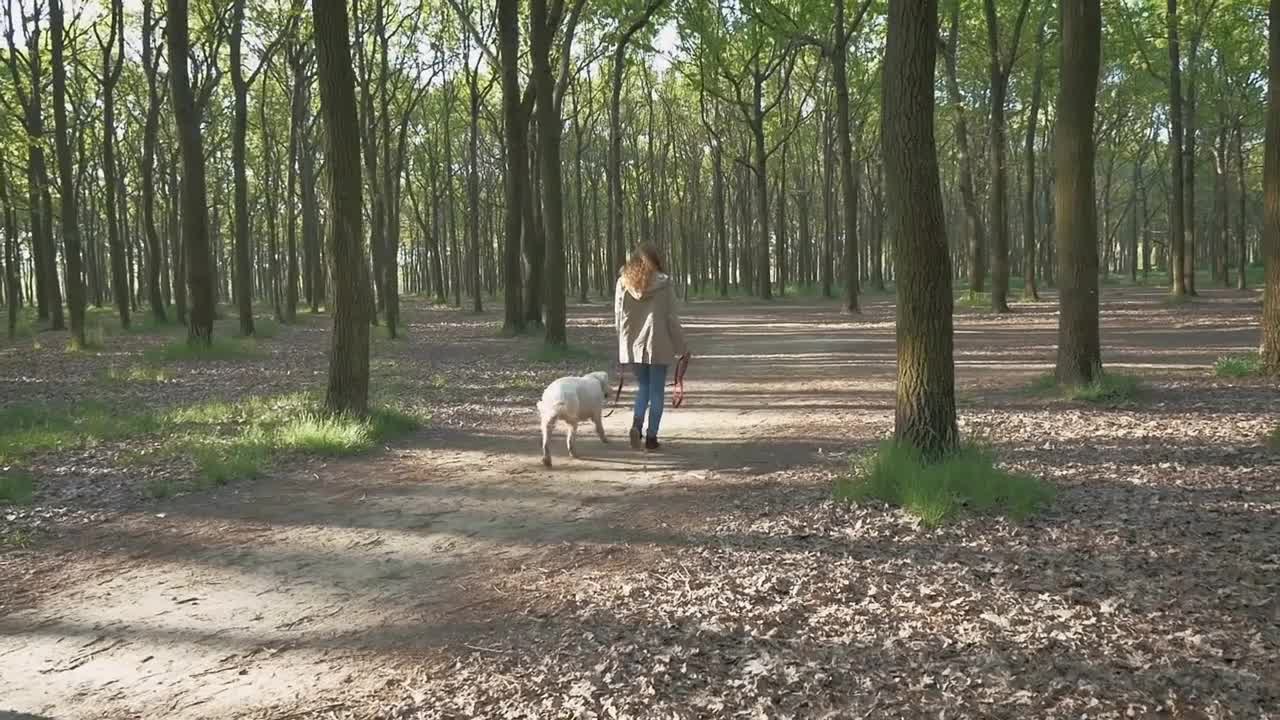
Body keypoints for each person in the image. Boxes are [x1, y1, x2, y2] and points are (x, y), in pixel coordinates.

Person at [615, 243, 687, 451]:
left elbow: (619, 318)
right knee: (656, 391)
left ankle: (637, 424)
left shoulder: (623, 283)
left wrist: (622, 345)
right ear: (656, 260)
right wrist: (682, 347)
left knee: (643, 386)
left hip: (633, 345)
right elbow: (671, 318)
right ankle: (651, 437)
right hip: (658, 343)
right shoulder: (664, 284)